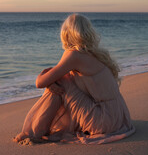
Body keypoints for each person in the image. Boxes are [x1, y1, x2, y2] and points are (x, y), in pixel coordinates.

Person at [13, 14, 135, 144]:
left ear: (66, 34)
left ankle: (33, 132)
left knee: (61, 80)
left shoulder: (74, 55)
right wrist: (52, 80)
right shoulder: (96, 53)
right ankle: (37, 129)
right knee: (60, 78)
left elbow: (40, 83)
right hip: (119, 117)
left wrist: (46, 76)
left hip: (103, 121)